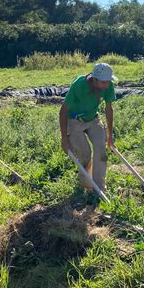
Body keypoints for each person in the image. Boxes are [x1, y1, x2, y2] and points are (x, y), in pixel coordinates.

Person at [59, 62, 117, 191]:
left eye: (108, 82)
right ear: (94, 79)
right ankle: (87, 185)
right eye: (103, 82)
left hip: (93, 119)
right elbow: (63, 110)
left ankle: (100, 187)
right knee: (85, 153)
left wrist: (109, 135)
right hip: (74, 121)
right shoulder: (79, 85)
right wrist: (64, 138)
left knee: (101, 148)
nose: (106, 85)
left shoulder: (108, 85)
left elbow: (109, 109)